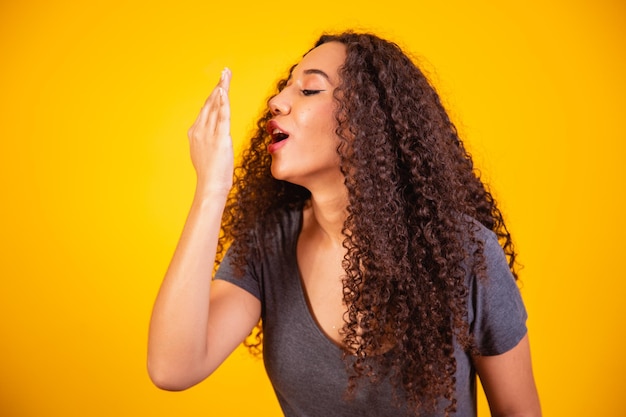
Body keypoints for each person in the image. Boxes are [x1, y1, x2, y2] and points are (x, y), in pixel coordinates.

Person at [148, 31, 541, 416]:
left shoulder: (465, 252)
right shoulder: (267, 246)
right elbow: (173, 367)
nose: (276, 101)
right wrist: (212, 189)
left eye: (309, 90)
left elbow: (517, 409)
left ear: (367, 120)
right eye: (284, 88)